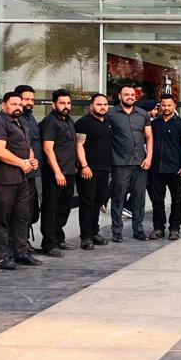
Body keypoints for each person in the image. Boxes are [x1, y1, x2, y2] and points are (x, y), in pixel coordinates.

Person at [0, 91, 39, 271]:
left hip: (21, 179)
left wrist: (31, 159)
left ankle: (21, 253)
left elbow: (27, 146)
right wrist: (22, 163)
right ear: (4, 105)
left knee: (21, 218)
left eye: (20, 104)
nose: (18, 107)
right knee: (2, 220)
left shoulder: (21, 122)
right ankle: (2, 257)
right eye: (14, 104)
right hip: (3, 180)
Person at [109, 85, 153, 243]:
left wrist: (149, 158)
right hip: (120, 162)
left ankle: (138, 229)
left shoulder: (143, 114)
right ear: (120, 96)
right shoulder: (111, 114)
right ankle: (116, 231)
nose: (130, 97)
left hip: (140, 163)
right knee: (118, 197)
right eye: (126, 94)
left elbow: (149, 137)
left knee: (139, 198)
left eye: (132, 95)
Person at [39, 89, 79, 257]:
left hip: (69, 171)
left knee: (64, 207)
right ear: (54, 104)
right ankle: (49, 244)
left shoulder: (69, 120)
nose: (66, 106)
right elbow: (48, 149)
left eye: (68, 103)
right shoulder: (50, 122)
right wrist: (57, 172)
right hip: (55, 173)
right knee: (51, 208)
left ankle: (58, 237)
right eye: (62, 103)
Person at [147, 94, 181, 240]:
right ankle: (158, 228)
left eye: (169, 105)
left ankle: (174, 228)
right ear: (160, 106)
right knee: (157, 200)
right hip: (156, 169)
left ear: (174, 106)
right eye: (163, 105)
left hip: (176, 169)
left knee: (177, 200)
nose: (166, 108)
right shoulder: (154, 124)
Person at [75, 93, 113, 250]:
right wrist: (84, 166)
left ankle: (94, 232)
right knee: (87, 203)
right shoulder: (83, 123)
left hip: (104, 170)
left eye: (105, 104)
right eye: (99, 104)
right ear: (91, 106)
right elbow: (78, 145)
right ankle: (86, 237)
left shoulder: (108, 122)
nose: (102, 107)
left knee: (98, 202)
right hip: (88, 170)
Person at [14, 84, 43, 250]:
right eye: (26, 99)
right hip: (19, 173)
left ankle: (24, 242)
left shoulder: (31, 118)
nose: (29, 102)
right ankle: (19, 245)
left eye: (32, 99)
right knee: (21, 211)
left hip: (33, 173)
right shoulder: (15, 119)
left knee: (30, 211)